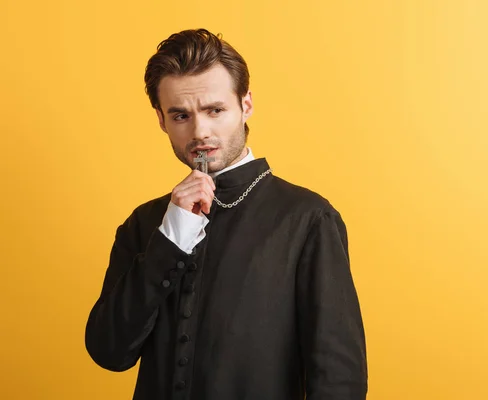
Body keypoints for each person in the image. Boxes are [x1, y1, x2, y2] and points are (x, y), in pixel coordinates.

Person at [85, 28, 368, 400]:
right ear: (161, 120)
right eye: (181, 115)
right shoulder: (144, 223)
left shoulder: (308, 218)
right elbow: (109, 352)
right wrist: (169, 239)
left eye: (215, 110)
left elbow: (338, 379)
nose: (200, 131)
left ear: (245, 105)